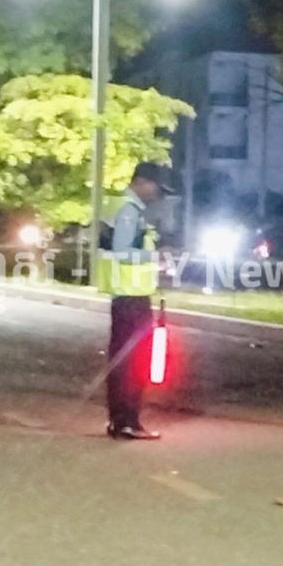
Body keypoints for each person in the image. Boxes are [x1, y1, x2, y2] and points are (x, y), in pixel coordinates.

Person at [99, 164, 168, 440]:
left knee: (123, 361)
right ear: (141, 182)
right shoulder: (129, 211)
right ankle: (127, 421)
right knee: (133, 363)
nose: (156, 193)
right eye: (155, 186)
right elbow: (123, 252)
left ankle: (120, 420)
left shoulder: (121, 207)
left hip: (125, 295)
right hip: (131, 298)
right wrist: (156, 256)